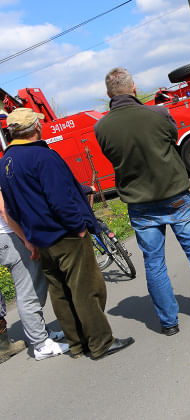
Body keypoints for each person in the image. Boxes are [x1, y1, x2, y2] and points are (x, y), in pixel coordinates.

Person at [95, 68, 190, 337]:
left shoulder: (101, 127)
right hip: (175, 197)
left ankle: (168, 322)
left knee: (154, 263)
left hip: (140, 204)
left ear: (108, 94)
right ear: (134, 88)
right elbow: (171, 138)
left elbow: (110, 155)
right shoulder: (158, 114)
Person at [0, 108, 133, 359]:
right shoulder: (43, 156)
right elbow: (60, 199)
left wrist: (29, 237)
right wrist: (79, 227)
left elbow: (12, 207)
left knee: (59, 291)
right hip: (65, 234)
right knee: (86, 288)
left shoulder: (5, 163)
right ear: (35, 128)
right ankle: (101, 342)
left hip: (39, 238)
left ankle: (77, 343)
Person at [0, 193, 69, 360]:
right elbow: (3, 209)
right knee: (29, 289)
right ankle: (41, 343)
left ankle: (40, 331)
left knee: (30, 286)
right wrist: (25, 239)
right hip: (8, 235)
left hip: (5, 239)